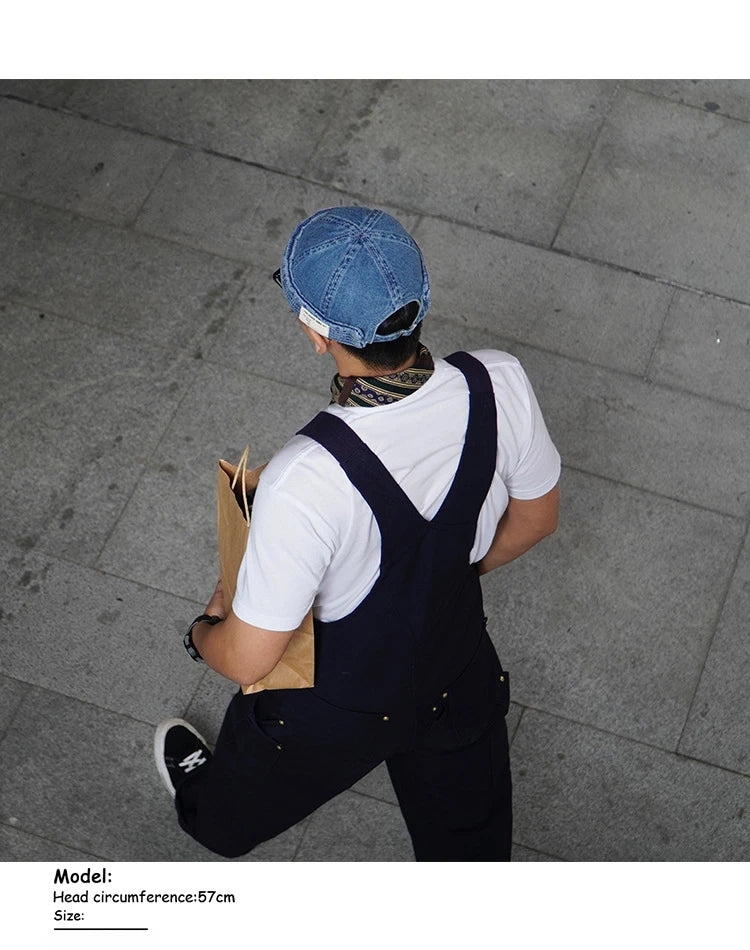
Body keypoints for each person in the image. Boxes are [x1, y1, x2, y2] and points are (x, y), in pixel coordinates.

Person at [154, 206, 560, 861]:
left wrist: (204, 634)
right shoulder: (499, 381)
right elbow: (537, 519)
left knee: (231, 815)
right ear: (422, 297)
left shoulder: (304, 477)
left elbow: (252, 658)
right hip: (457, 668)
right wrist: (440, 580)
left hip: (332, 708)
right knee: (471, 856)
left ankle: (206, 812)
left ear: (315, 334)